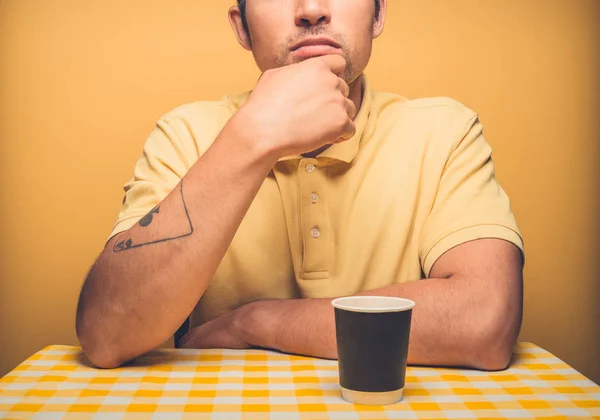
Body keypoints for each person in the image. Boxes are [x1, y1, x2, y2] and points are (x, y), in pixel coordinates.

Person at [76, 0, 524, 370]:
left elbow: (483, 321)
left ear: (379, 12)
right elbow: (105, 332)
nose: (311, 10)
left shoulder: (445, 132)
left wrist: (256, 322)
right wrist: (252, 137)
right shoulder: (185, 134)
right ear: (242, 28)